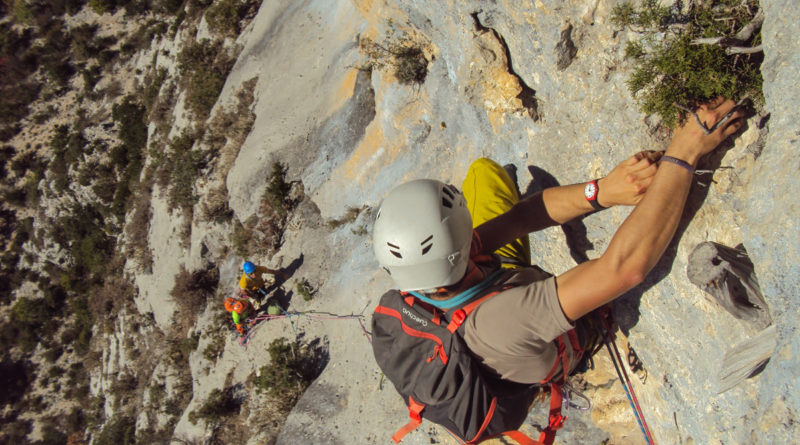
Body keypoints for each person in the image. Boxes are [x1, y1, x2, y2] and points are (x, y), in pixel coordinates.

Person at [373, 98, 744, 385]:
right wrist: (684, 151)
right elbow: (622, 268)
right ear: (464, 248)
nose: (475, 236)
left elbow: (520, 218)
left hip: (487, 299)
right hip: (513, 323)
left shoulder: (428, 273)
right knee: (485, 179)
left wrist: (603, 191)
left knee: (482, 172)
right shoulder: (507, 317)